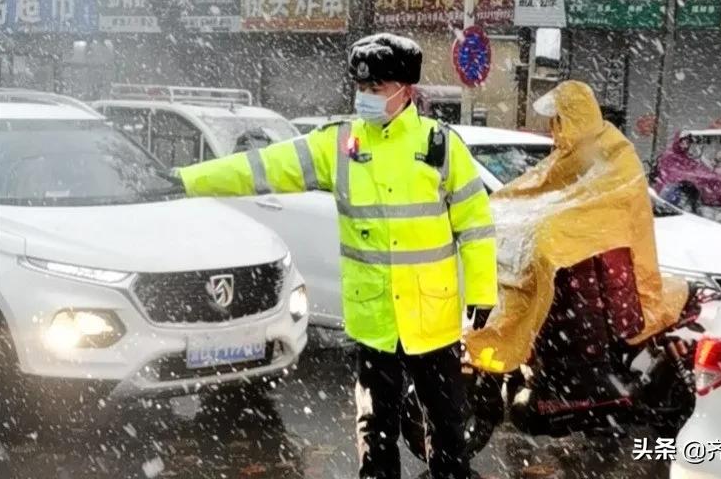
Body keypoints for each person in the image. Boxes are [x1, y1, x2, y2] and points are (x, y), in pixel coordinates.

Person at [176, 32, 497, 479]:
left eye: (377, 88)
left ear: (406, 89)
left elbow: (475, 225)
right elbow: (263, 167)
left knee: (446, 426)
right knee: (375, 428)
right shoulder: (341, 145)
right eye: (362, 88)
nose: (367, 97)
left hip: (433, 317)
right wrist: (187, 180)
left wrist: (481, 289)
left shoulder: (439, 147)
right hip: (375, 319)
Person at [464, 80, 687, 387]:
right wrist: (496, 211)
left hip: (610, 269)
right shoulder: (570, 153)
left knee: (550, 259)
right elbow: (537, 189)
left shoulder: (613, 150)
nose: (553, 129)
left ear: (572, 117)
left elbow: (596, 204)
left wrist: (551, 230)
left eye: (557, 120)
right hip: (589, 277)